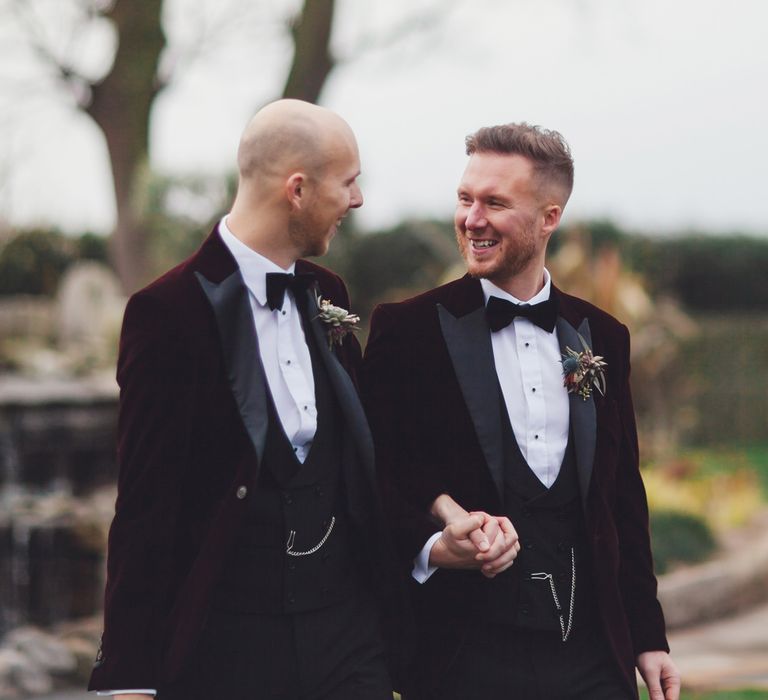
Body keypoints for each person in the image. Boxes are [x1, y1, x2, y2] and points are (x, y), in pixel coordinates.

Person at [361, 123, 680, 700]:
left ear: (549, 217)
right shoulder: (405, 331)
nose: (471, 219)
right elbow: (377, 472)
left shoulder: (602, 334)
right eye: (465, 199)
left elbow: (622, 498)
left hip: (591, 658)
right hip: (460, 657)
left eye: (495, 203)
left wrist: (646, 636)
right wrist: (435, 545)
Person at [88, 99, 395, 700]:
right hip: (228, 651)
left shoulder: (327, 293)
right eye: (349, 182)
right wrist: (126, 678)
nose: (357, 201)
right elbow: (146, 503)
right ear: (298, 190)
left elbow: (363, 453)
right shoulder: (167, 313)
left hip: (347, 644)